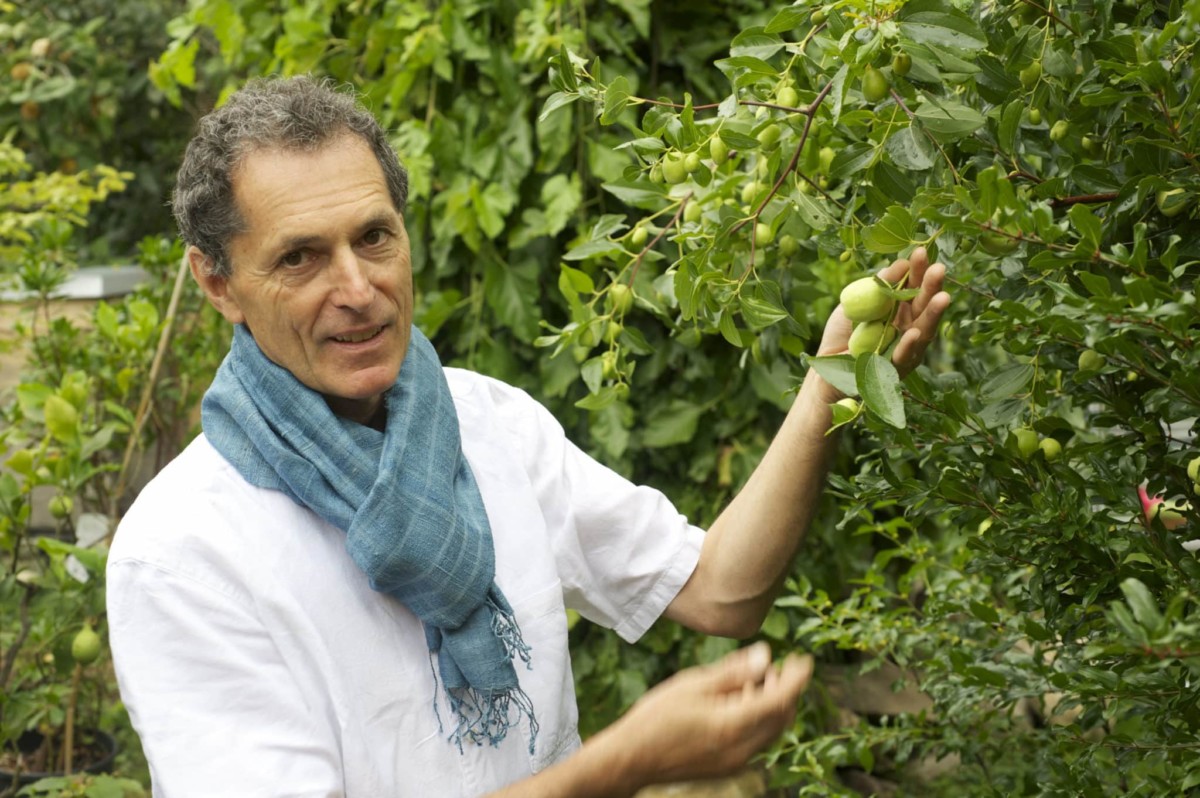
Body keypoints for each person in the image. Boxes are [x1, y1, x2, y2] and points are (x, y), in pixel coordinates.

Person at [106, 75, 949, 797]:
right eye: (300, 258)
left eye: (374, 237)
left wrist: (830, 385)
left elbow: (719, 590)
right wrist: (620, 764)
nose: (358, 288)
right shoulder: (184, 554)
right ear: (218, 282)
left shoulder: (485, 423)